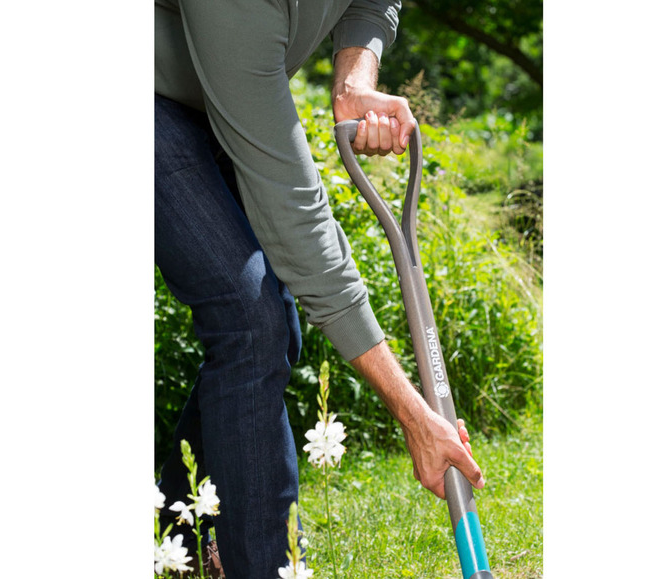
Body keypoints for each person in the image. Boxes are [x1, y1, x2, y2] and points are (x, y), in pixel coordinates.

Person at [154, 0, 485, 576]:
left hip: (219, 92)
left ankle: (174, 535)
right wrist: (413, 415)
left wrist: (354, 81)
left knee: (273, 327)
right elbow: (299, 226)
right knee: (250, 319)